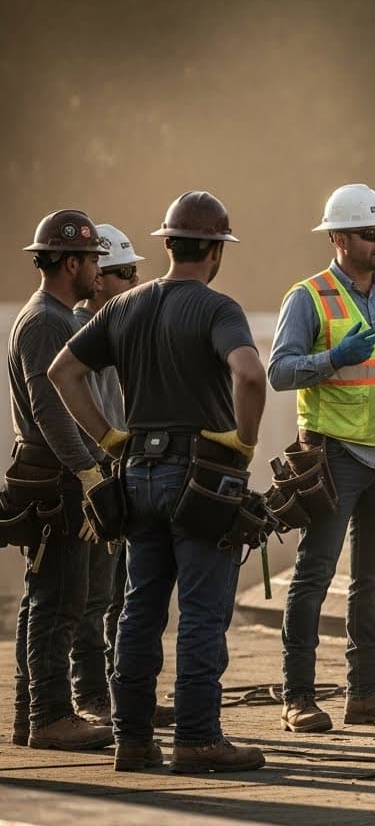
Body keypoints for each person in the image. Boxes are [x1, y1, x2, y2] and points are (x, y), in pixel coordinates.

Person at [50, 191, 267, 774]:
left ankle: (133, 740)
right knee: (200, 611)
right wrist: (242, 443)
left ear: (167, 244)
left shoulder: (124, 307)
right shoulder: (218, 309)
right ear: (216, 251)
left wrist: (112, 438)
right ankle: (197, 739)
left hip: (137, 474)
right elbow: (249, 373)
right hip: (199, 479)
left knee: (139, 610)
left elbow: (63, 372)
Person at [269, 183, 375, 733]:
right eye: (371, 233)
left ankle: (364, 694)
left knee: (373, 581)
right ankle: (298, 697)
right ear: (339, 238)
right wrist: (330, 359)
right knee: (314, 575)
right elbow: (279, 371)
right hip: (335, 455)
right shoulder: (309, 297)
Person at [7, 210, 113, 751]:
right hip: (59, 478)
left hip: (57, 473)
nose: (100, 267)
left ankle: (33, 715)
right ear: (70, 261)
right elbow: (53, 414)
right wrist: (90, 474)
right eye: (94, 258)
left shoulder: (55, 315)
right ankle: (49, 717)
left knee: (47, 596)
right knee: (60, 598)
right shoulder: (47, 320)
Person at [69, 223, 144, 726]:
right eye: (123, 273)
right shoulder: (77, 332)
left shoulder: (120, 326)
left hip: (120, 470)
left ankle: (122, 695)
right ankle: (90, 695)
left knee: (120, 591)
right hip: (94, 475)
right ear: (97, 278)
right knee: (91, 595)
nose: (133, 282)